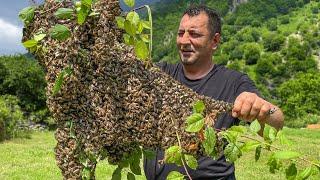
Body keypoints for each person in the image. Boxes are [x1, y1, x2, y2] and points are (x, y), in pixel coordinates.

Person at [143, 4, 284, 180]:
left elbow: (276, 123)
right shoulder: (161, 73)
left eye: (194, 34)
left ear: (214, 41)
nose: (184, 41)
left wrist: (261, 108)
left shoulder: (233, 82)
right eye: (181, 33)